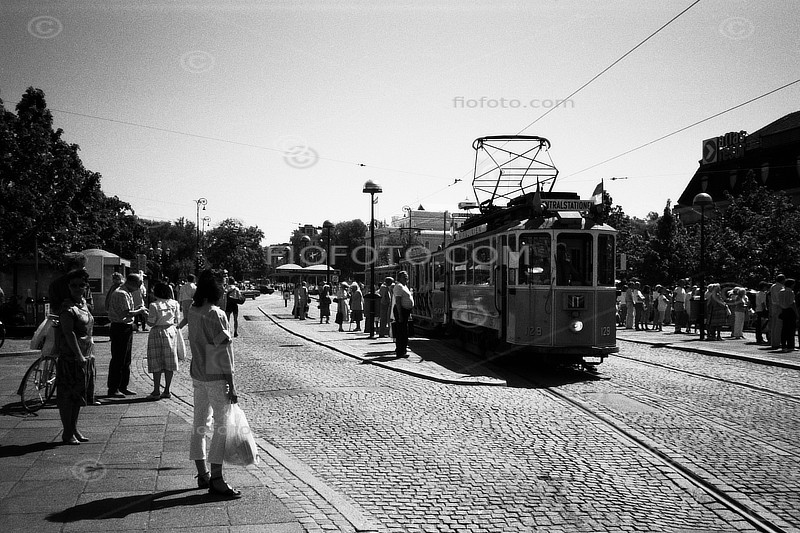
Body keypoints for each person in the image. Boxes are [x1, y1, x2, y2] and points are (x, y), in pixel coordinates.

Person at [184, 270, 242, 498]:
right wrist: (232, 383)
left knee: (199, 423)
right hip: (215, 375)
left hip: (198, 373)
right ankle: (217, 477)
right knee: (222, 426)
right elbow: (221, 353)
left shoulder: (193, 311)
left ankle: (202, 473)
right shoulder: (216, 314)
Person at [54, 269, 96, 445]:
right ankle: (67, 432)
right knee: (68, 396)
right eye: (74, 285)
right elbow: (68, 332)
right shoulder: (67, 308)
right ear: (68, 287)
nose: (77, 288)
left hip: (85, 356)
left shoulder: (83, 303)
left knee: (79, 395)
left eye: (81, 285)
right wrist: (78, 354)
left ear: (86, 286)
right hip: (72, 357)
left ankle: (74, 428)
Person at [106, 272, 148, 397]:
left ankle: (123, 386)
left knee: (126, 359)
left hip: (126, 327)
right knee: (118, 358)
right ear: (132, 283)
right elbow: (127, 312)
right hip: (120, 327)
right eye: (139, 284)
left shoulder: (127, 292)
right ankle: (113, 388)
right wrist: (139, 311)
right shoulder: (121, 293)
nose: (140, 287)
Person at [146, 282, 184, 400]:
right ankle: (167, 390)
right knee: (170, 361)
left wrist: (144, 314)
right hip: (171, 331)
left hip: (157, 332)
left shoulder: (154, 305)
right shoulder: (175, 303)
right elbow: (177, 319)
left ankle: (156, 390)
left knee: (156, 361)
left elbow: (151, 322)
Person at [392, 271, 414, 358]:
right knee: (401, 332)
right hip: (401, 311)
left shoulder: (404, 286)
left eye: (406, 276)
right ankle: (400, 351)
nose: (406, 277)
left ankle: (403, 350)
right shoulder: (399, 286)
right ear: (399, 277)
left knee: (404, 331)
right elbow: (398, 301)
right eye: (404, 276)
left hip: (406, 311)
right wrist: (400, 315)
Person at [779, 278, 797, 352]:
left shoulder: (781, 291)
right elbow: (792, 303)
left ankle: (783, 345)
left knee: (784, 329)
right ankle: (790, 345)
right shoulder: (791, 292)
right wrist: (797, 313)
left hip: (783, 310)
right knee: (791, 329)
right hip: (790, 311)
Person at [770, 274, 786, 349]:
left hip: (773, 306)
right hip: (779, 306)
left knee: (774, 325)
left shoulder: (773, 286)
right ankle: (777, 342)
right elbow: (780, 298)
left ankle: (773, 341)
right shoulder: (781, 287)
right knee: (778, 325)